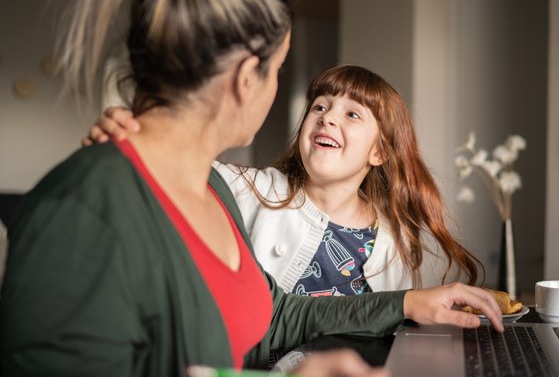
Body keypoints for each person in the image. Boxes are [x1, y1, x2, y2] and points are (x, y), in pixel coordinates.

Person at [0, 0, 502, 377]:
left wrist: (407, 302)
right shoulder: (83, 211)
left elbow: (276, 314)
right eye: (279, 69)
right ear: (246, 79)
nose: (325, 117)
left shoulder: (211, 189)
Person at [87, 64, 483, 296]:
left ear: (379, 153)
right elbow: (178, 165)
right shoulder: (254, 191)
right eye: (320, 107)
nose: (328, 117)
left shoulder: (395, 241)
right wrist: (133, 136)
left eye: (352, 114)